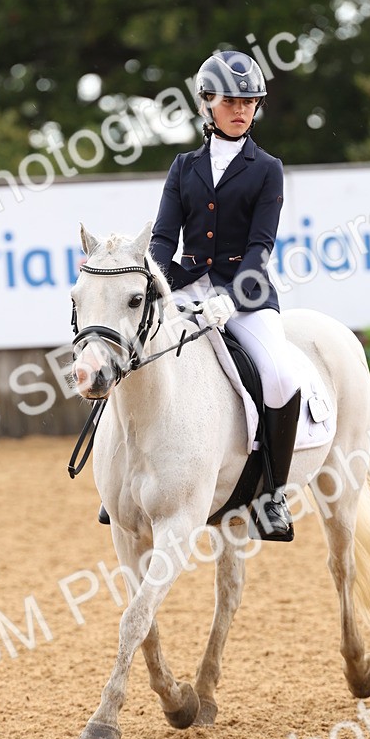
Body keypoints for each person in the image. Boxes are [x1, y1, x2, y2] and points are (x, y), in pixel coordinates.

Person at [148, 49, 302, 541]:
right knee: (135, 356)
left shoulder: (267, 169)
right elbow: (162, 242)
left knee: (278, 376)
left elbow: (260, 251)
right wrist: (154, 287)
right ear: (206, 104)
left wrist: (231, 300)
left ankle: (272, 494)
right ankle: (122, 487)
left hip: (247, 295)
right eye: (231, 101)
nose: (241, 110)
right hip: (187, 293)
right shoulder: (183, 167)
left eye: (250, 101)